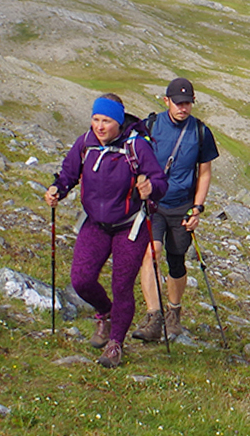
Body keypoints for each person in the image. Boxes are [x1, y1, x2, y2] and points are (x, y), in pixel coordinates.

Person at [45, 94, 166, 368]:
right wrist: (57, 190)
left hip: (130, 226)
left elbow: (159, 181)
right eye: (96, 119)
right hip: (95, 223)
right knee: (81, 280)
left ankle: (115, 344)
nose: (100, 126)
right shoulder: (85, 143)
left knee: (122, 285)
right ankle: (105, 312)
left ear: (119, 121)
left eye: (107, 121)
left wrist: (151, 188)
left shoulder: (136, 146)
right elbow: (68, 174)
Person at [131, 77, 220, 343]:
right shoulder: (151, 125)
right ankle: (153, 316)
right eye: (178, 102)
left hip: (182, 206)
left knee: (176, 261)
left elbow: (204, 173)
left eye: (188, 103)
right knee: (151, 252)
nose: (183, 108)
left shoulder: (201, 132)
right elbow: (135, 159)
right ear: (166, 100)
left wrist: (198, 208)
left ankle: (174, 312)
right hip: (154, 205)